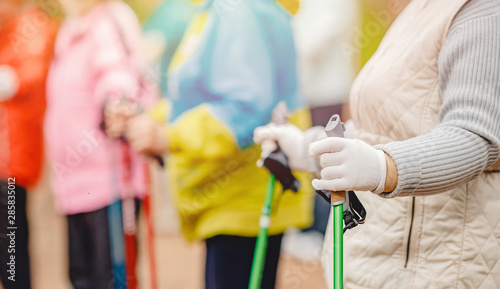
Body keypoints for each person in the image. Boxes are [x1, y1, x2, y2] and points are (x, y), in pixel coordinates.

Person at [254, 0, 500, 288]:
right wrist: (309, 149)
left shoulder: (482, 11)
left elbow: (475, 137)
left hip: (436, 266)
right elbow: (385, 126)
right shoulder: (419, 8)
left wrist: (382, 167)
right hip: (379, 258)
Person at [107, 0, 314, 288]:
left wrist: (169, 137)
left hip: (242, 199)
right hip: (232, 196)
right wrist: (146, 120)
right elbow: (192, 101)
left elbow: (245, 107)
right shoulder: (219, 10)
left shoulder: (240, 11)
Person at [44, 0, 152, 288]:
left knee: (110, 277)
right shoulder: (70, 31)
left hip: (109, 180)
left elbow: (118, 72)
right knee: (81, 275)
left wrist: (115, 100)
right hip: (73, 183)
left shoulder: (110, 20)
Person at [0, 2, 58, 288]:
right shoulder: (9, 29)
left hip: (12, 164)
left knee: (11, 243)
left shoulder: (32, 26)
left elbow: (19, 80)